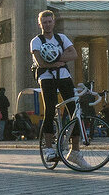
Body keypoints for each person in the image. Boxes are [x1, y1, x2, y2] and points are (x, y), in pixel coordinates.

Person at [30, 9, 87, 168]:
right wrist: (57, 60)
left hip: (63, 76)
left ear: (53, 22)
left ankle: (75, 151)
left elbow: (74, 54)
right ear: (40, 23)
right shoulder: (36, 41)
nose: (47, 25)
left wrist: (54, 58)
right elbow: (40, 62)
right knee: (49, 109)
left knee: (74, 110)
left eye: (50, 21)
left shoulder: (61, 38)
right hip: (46, 77)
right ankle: (48, 148)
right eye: (44, 22)